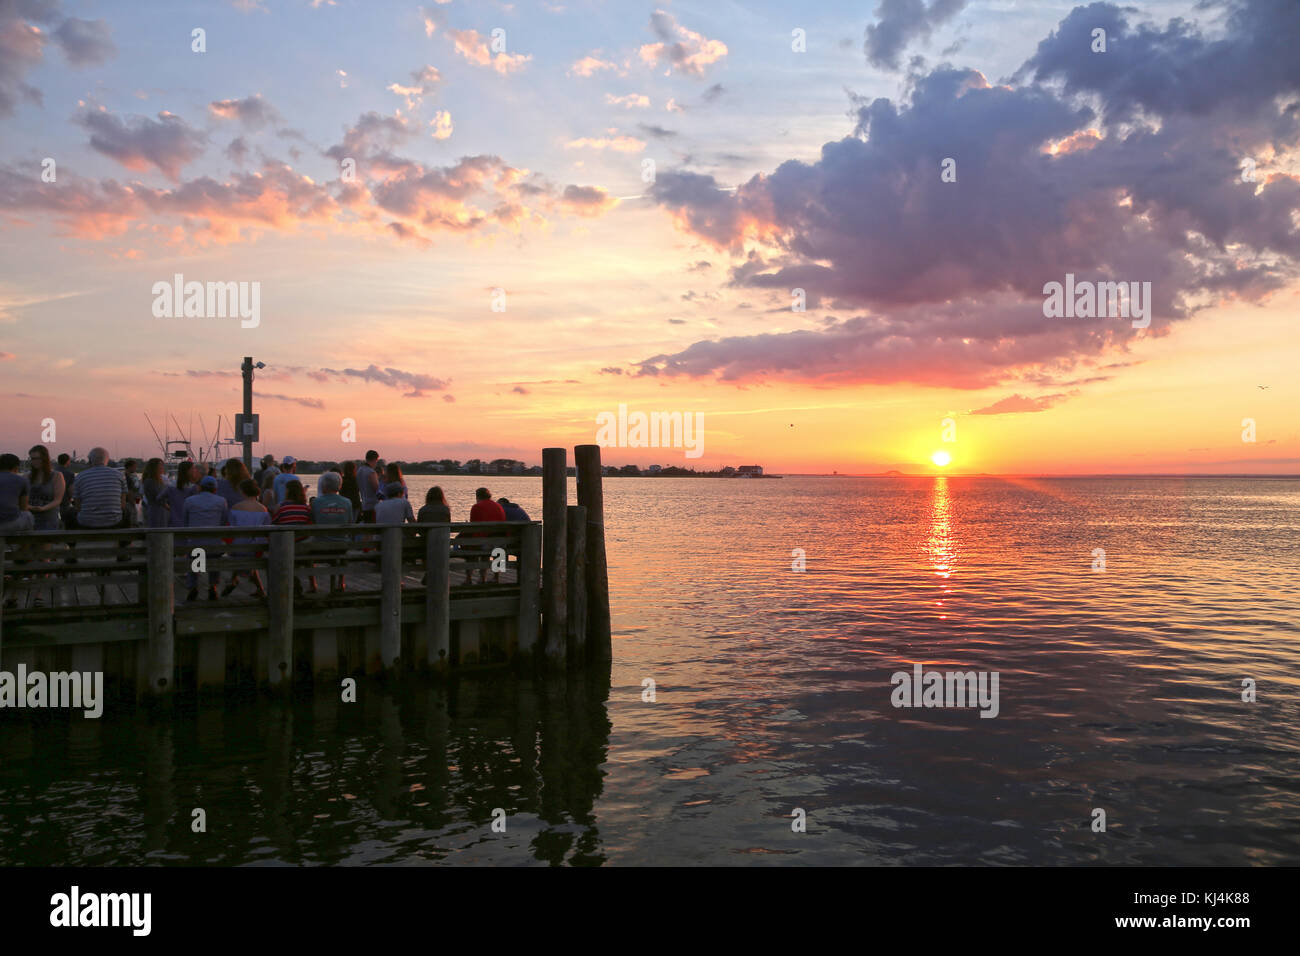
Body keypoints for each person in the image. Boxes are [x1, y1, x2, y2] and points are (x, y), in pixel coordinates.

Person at [182, 474, 230, 601]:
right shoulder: (221, 501)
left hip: (195, 544)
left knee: (195, 555)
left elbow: (185, 522)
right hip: (214, 544)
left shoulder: (189, 501)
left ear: (200, 488)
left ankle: (193, 586)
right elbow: (224, 521)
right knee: (215, 556)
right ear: (215, 489)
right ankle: (213, 586)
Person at [223, 478, 270, 598]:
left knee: (239, 547)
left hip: (237, 549)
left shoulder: (235, 508)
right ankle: (259, 589)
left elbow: (230, 530)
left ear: (243, 492)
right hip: (256, 549)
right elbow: (267, 531)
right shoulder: (263, 509)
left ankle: (234, 580)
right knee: (250, 550)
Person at [311, 471, 354, 593]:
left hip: (320, 546)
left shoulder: (316, 502)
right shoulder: (347, 502)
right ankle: (341, 582)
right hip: (342, 546)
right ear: (339, 486)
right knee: (344, 545)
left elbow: (313, 522)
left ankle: (312, 584)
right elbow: (350, 523)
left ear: (324, 486)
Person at [273, 479, 316, 593]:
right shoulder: (306, 508)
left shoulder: (281, 507)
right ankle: (313, 584)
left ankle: (291, 582)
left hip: (286, 548)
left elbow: (273, 525)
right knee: (308, 551)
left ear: (288, 492)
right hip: (303, 548)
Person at [72, 447, 127, 530]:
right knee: (128, 511)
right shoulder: (120, 475)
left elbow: (77, 506)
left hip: (86, 522)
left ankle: (71, 542)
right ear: (107, 460)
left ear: (90, 460)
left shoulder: (80, 476)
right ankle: (125, 542)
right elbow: (122, 505)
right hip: (114, 522)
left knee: (69, 513)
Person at [463, 487, 506, 584]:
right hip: (501, 543)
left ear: (477, 496)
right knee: (496, 549)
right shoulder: (498, 506)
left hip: (485, 542)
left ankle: (471, 578)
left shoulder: (477, 507)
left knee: (471, 546)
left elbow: (474, 527)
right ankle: (496, 577)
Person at [27, 444, 65, 531]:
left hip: (49, 518)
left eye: (37, 458)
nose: (34, 461)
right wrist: (30, 507)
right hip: (30, 518)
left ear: (44, 459)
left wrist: (43, 508)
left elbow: (58, 500)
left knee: (44, 541)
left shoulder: (57, 476)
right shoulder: (26, 477)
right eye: (32, 459)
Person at [0, 452, 34, 534]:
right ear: (16, 467)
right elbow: (23, 507)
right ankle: (25, 546)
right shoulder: (22, 480)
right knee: (28, 516)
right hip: (9, 524)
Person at [165, 460, 199, 528]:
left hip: (174, 522)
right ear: (188, 471)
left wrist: (170, 508)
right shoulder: (193, 487)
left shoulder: (172, 485)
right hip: (189, 521)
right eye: (193, 468)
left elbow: (159, 499)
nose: (195, 470)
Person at [141, 458, 170, 528]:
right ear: (154, 467)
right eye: (160, 465)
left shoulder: (160, 480)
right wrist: (169, 507)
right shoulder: (150, 481)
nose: (162, 467)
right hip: (156, 510)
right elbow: (158, 498)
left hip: (161, 510)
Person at [356, 450, 380, 522]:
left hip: (364, 504)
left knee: (367, 530)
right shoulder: (371, 472)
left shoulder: (359, 470)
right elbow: (376, 489)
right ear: (375, 459)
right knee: (373, 530)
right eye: (377, 461)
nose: (376, 463)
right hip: (373, 506)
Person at [55, 453, 76, 527]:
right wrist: (71, 499)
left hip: (52, 501)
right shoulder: (70, 474)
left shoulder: (52, 472)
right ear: (67, 461)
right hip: (64, 501)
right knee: (65, 520)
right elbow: (71, 490)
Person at [122, 459, 142, 526]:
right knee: (133, 516)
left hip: (135, 500)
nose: (136, 468)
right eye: (134, 467)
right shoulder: (127, 477)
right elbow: (129, 491)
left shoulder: (132, 476)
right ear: (130, 467)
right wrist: (133, 503)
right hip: (130, 501)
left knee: (135, 514)